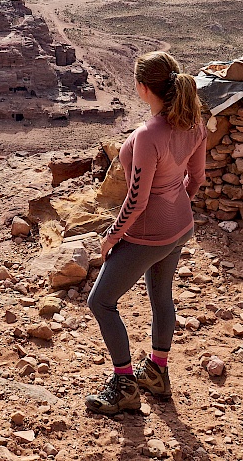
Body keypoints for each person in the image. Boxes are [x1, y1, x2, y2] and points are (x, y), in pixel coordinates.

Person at [85, 51, 207, 415]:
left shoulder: (147, 136)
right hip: (180, 227)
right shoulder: (194, 122)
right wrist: (175, 206)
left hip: (147, 234)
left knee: (100, 301)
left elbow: (136, 201)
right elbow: (196, 179)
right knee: (161, 297)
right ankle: (156, 373)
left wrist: (110, 236)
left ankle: (124, 386)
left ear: (142, 88)